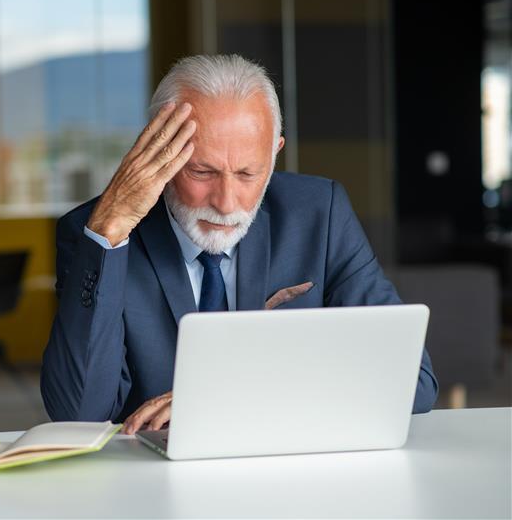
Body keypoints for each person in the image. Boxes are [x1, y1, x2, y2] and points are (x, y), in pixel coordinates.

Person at [40, 54, 438, 434]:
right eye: (201, 171)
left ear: (274, 153)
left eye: (248, 173)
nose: (226, 203)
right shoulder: (96, 233)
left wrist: (223, 394)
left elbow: (414, 381)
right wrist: (111, 229)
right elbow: (79, 413)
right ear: (158, 152)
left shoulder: (320, 213)